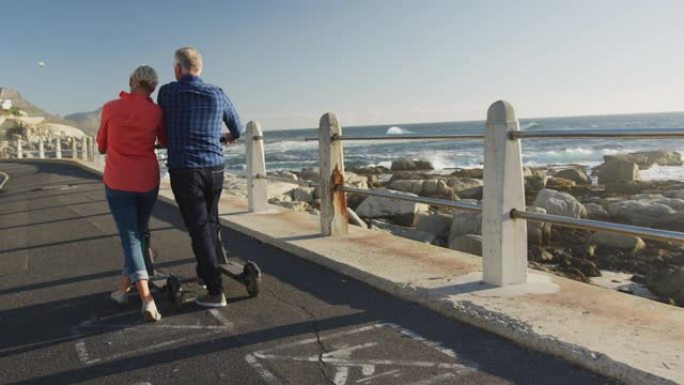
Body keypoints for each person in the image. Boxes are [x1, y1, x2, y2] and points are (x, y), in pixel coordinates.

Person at [157, 47, 242, 308]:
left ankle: (215, 291)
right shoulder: (217, 93)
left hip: (186, 169)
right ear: (200, 68)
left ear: (178, 69)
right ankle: (206, 274)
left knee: (199, 229)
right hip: (215, 168)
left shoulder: (168, 92)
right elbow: (236, 128)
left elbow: (162, 125)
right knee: (211, 221)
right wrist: (224, 138)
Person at [97, 65, 166, 322]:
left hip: (119, 181)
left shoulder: (111, 108)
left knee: (131, 236)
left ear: (132, 81)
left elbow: (102, 146)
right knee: (137, 232)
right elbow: (165, 140)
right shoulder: (156, 111)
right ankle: (123, 288)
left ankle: (147, 298)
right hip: (148, 180)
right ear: (153, 86)